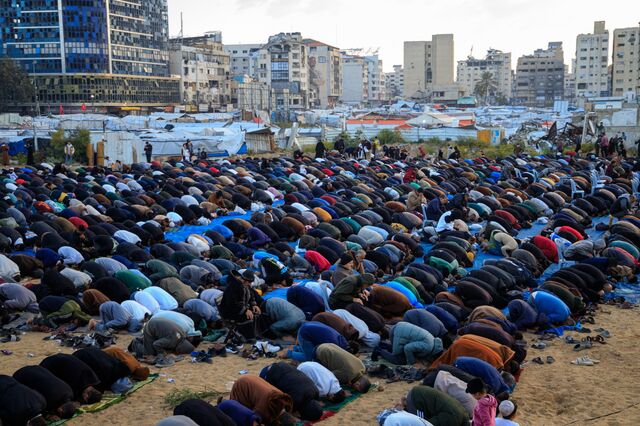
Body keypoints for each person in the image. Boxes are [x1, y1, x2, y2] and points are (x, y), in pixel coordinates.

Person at [13, 365, 79, 420]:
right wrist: (47, 416)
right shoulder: (51, 400)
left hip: (36, 368)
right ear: (60, 410)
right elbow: (37, 406)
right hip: (20, 375)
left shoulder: (70, 392)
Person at [229, 375, 293, 425]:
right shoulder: (264, 409)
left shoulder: (283, 399)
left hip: (251, 379)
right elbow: (253, 419)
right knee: (240, 413)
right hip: (242, 385)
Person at [373, 321, 443, 365]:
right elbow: (407, 348)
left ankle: (382, 345)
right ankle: (378, 350)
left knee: (400, 351)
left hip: (400, 327)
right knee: (399, 360)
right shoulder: (428, 347)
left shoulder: (432, 340)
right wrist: (411, 362)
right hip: (399, 333)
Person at [219, 269, 262, 340]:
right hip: (230, 311)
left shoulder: (245, 285)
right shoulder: (233, 287)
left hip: (239, 307)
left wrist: (254, 304)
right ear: (244, 280)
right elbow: (232, 304)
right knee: (247, 316)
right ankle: (250, 337)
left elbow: (251, 294)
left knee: (256, 312)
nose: (250, 284)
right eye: (249, 282)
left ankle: (254, 333)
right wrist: (245, 310)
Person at [127, 317, 198, 359]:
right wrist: (162, 353)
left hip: (157, 323)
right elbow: (156, 344)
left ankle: (143, 340)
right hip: (150, 327)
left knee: (154, 344)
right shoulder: (173, 341)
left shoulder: (183, 335)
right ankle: (135, 343)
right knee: (149, 352)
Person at [403, 385, 470, 426]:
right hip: (416, 399)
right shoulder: (452, 419)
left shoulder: (464, 413)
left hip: (418, 392)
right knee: (421, 423)